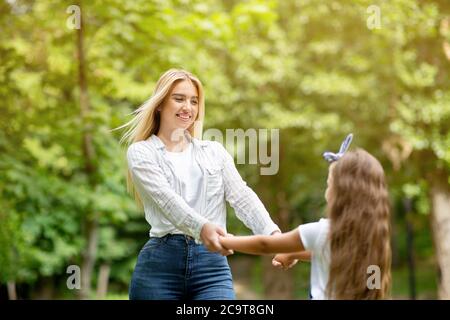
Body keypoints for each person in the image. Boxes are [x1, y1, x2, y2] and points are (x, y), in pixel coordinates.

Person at [119, 69, 281, 300]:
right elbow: (168, 201)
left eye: (194, 101)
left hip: (211, 267)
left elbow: (242, 196)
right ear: (160, 104)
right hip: (159, 267)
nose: (188, 107)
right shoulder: (142, 152)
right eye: (179, 98)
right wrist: (203, 228)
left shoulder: (213, 152)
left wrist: (274, 236)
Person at [220, 146, 392, 299]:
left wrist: (224, 240)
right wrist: (293, 254)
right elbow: (334, 256)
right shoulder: (373, 238)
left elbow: (266, 244)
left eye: (329, 184)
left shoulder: (321, 231)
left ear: (340, 193)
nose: (328, 189)